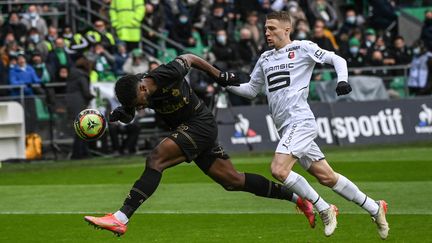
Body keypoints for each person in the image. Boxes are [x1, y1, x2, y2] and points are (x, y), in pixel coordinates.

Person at [84, 53, 317, 236]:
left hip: (199, 123)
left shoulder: (165, 73)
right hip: (189, 130)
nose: (141, 106)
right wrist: (117, 116)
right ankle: (299, 200)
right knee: (233, 181)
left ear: (143, 88)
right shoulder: (138, 93)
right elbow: (130, 114)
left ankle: (121, 218)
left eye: (140, 101)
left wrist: (219, 76)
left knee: (156, 159)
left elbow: (191, 58)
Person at [226, 11, 389, 239]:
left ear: (286, 29)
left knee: (279, 170)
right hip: (285, 128)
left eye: (272, 28)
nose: (267, 32)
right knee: (327, 177)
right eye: (265, 28)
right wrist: (224, 82)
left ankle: (324, 208)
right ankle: (375, 207)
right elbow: (251, 91)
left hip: (301, 122)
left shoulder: (302, 48)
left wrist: (343, 80)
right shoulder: (265, 58)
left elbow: (337, 59)